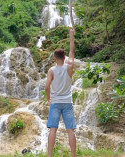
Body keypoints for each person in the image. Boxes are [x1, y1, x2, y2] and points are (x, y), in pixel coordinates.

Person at [45, 28, 76, 157]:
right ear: (64, 57)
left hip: (56, 102)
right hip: (67, 102)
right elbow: (72, 51)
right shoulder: (69, 67)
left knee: (53, 129)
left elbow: (46, 87)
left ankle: (50, 155)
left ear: (54, 58)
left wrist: (49, 98)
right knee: (70, 131)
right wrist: (71, 35)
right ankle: (73, 155)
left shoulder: (51, 71)